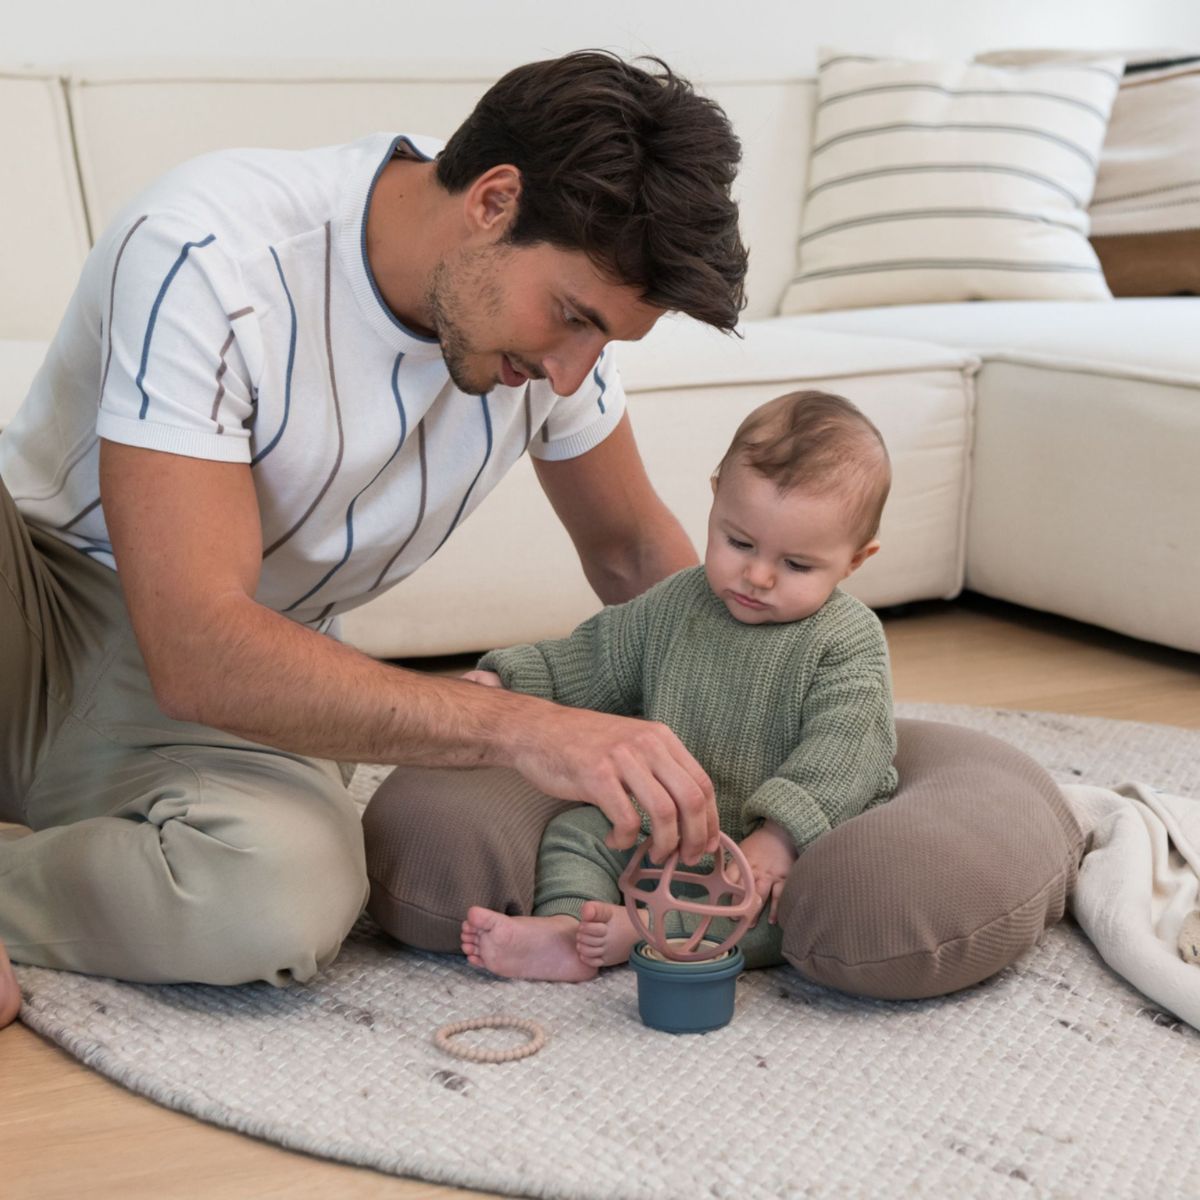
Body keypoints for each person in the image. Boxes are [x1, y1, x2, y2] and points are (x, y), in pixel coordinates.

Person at [0, 50, 752, 1028]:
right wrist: (529, 729)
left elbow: (634, 558)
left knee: (277, 896)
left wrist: (780, 733)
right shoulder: (209, 252)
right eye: (572, 318)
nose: (572, 374)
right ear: (492, 201)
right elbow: (194, 643)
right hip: (39, 602)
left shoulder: (542, 352)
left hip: (242, 669)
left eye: (602, 342)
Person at [457, 391, 898, 981]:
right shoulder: (677, 604)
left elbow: (846, 752)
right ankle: (569, 928)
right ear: (715, 498)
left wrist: (782, 837)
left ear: (853, 561)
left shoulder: (846, 640)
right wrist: (507, 678)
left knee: (789, 906)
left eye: (796, 566)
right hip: (668, 826)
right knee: (578, 834)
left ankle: (646, 935)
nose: (758, 576)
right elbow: (596, 657)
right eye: (739, 543)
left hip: (774, 849)